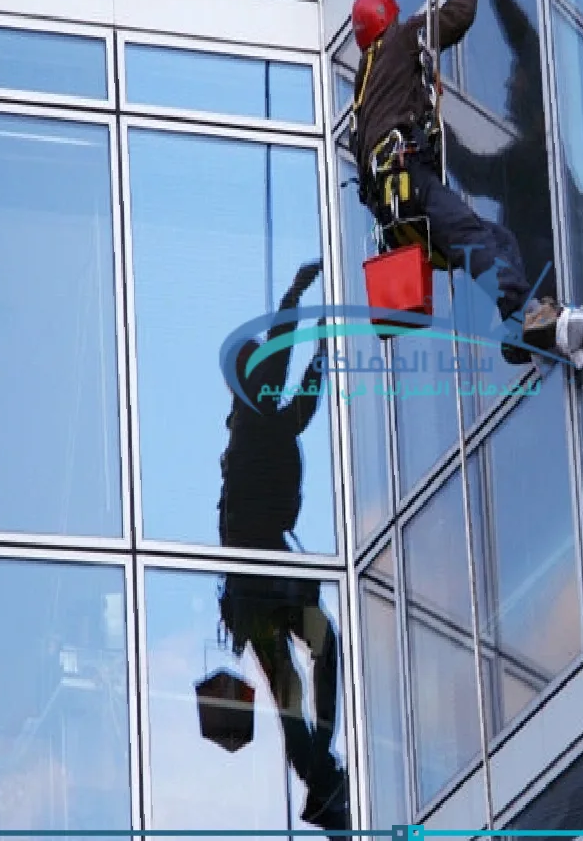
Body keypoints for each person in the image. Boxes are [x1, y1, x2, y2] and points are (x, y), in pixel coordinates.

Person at [349, 0, 583, 369]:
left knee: (498, 240)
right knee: (477, 240)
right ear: (389, 19)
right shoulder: (402, 41)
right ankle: (529, 316)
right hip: (411, 180)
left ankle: (518, 331)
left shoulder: (362, 95)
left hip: (395, 206)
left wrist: (433, 126)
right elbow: (457, 17)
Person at [440, 0, 583, 390]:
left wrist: (433, 118)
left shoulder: (530, 160)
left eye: (516, 78)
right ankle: (550, 332)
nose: (509, 84)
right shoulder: (542, 159)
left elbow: (470, 173)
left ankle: (547, 328)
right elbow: (527, 46)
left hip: (547, 274)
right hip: (552, 275)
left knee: (496, 269)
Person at [216, 260, 348, 836]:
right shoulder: (252, 417)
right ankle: (319, 770)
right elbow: (280, 354)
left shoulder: (263, 420)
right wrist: (295, 294)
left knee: (308, 664)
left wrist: (319, 361)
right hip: (259, 575)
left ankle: (319, 768)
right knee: (302, 668)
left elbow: (300, 407)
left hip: (261, 572)